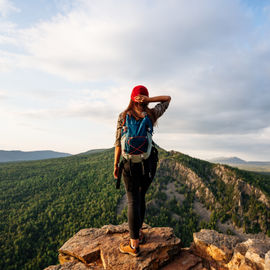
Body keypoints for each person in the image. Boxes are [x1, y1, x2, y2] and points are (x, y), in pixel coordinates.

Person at [113, 85, 171, 256]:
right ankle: (138, 235)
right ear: (144, 98)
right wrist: (149, 101)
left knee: (132, 201)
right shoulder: (152, 114)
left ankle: (133, 245)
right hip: (148, 164)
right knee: (141, 197)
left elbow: (117, 143)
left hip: (129, 164)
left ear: (132, 98)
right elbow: (167, 99)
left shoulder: (123, 116)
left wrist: (116, 165)